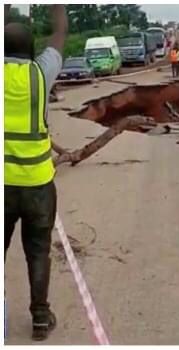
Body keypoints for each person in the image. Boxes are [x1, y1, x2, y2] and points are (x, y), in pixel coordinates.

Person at [5, 4, 67, 341]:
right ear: (30, 49)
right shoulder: (41, 72)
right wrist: (59, 8)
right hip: (38, 185)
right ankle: (40, 320)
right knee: (38, 251)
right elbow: (59, 36)